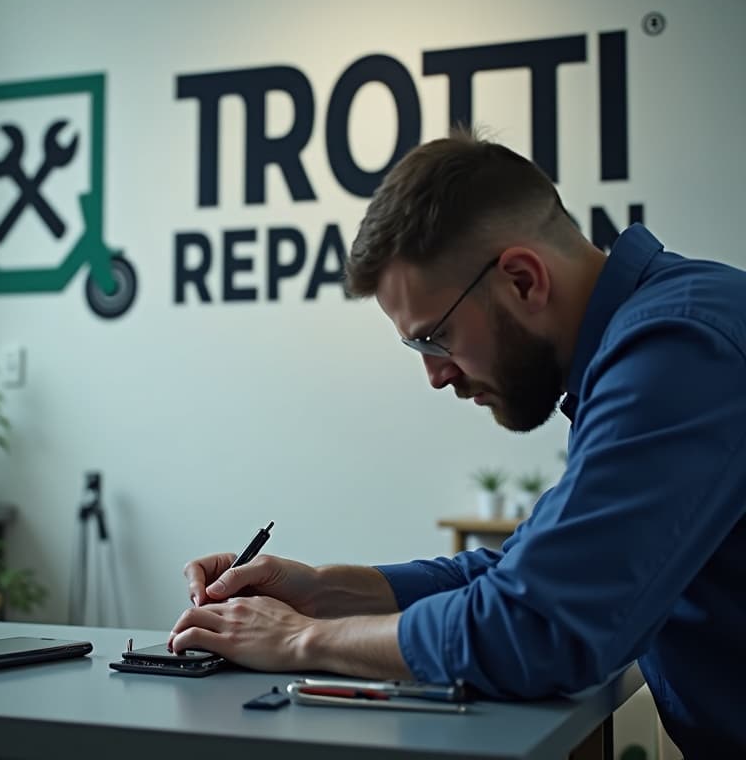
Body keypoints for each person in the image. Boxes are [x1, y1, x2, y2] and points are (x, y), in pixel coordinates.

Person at [169, 128, 746, 757]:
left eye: (434, 339)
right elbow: (524, 570)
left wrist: (299, 641)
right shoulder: (656, 339)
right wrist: (323, 590)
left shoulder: (680, 350)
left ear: (523, 280)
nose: (437, 375)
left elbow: (541, 626)